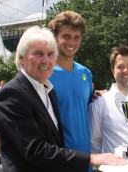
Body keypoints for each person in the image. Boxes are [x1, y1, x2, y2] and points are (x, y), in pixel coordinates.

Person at [0, 26, 127, 172]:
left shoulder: (48, 91)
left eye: (51, 54)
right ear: (21, 58)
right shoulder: (12, 93)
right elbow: (36, 150)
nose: (46, 60)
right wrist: (91, 158)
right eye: (38, 53)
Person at [48, 11, 93, 171]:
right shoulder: (44, 74)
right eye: (66, 36)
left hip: (86, 161)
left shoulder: (86, 74)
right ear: (54, 36)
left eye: (77, 37)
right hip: (57, 162)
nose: (72, 42)